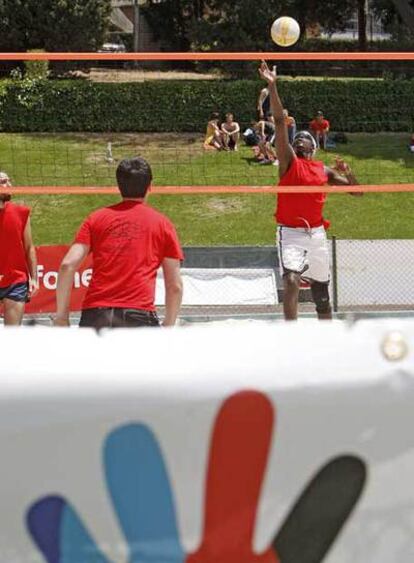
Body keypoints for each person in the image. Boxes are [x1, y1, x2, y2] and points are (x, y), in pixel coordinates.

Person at [259, 61, 361, 321]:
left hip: (316, 233)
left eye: (305, 138)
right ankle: (293, 336)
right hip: (291, 233)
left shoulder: (323, 170)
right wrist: (272, 85)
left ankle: (325, 340)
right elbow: (280, 122)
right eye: (298, 138)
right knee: (291, 279)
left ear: (313, 147)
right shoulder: (289, 163)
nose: (300, 139)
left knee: (322, 297)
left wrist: (348, 172)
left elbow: (357, 192)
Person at [54, 157, 183, 329]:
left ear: (118, 186)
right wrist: (169, 324)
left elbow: (67, 265)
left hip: (96, 316)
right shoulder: (163, 224)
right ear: (150, 186)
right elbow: (174, 286)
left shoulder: (96, 219)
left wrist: (62, 317)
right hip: (138, 316)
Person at [0, 172, 38, 325]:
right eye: (4, 182)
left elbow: (29, 247)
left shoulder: (21, 213)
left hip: (15, 280)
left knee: (12, 337)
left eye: (9, 181)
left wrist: (34, 278)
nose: (9, 185)